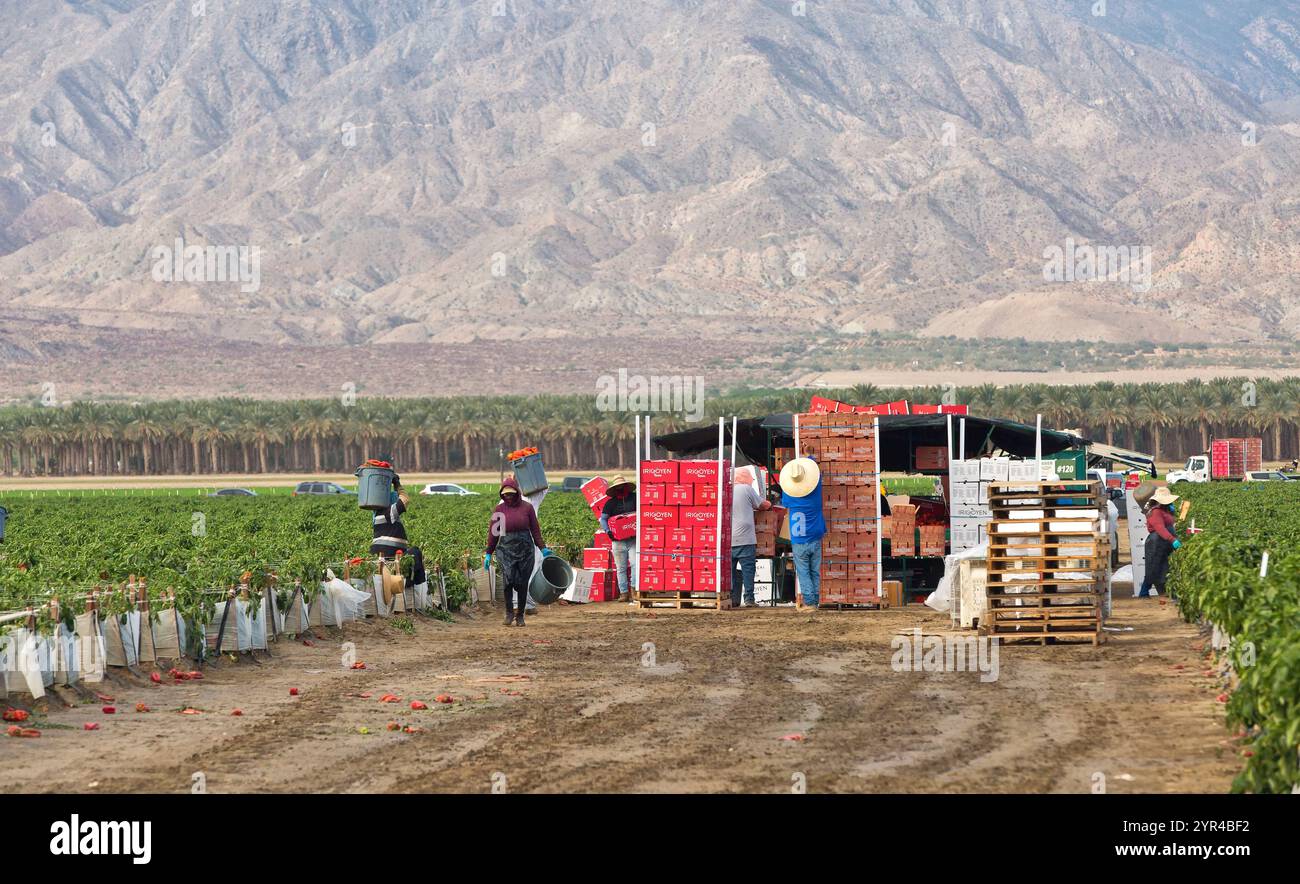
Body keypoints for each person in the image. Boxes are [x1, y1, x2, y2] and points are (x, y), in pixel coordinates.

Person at [484, 476, 551, 626]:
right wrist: (489, 552)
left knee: (522, 583)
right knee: (508, 581)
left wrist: (543, 548)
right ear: (502, 494)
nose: (508, 496)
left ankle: (520, 615)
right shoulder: (499, 510)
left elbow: (535, 531)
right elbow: (494, 533)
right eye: (505, 494)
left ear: (517, 493)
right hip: (506, 549)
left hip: (525, 548)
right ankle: (509, 613)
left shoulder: (527, 508)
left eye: (511, 493)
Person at [779, 457, 826, 608]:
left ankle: (810, 602)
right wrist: (810, 457)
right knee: (815, 572)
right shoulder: (815, 498)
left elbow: (784, 499)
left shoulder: (790, 498)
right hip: (815, 538)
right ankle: (816, 601)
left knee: (804, 573)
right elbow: (817, 477)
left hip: (799, 541)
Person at [731, 466, 772, 608]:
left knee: (730, 571)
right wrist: (770, 503)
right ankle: (749, 599)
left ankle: (732, 599)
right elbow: (762, 505)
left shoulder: (726, 489)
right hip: (745, 538)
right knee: (748, 570)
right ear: (745, 478)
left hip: (728, 540)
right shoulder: (746, 489)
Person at [600, 474, 637, 602]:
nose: (620, 488)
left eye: (622, 486)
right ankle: (624, 593)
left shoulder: (635, 498)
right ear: (615, 489)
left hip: (633, 539)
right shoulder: (610, 503)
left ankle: (634, 590)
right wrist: (608, 531)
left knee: (634, 564)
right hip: (618, 540)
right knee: (621, 568)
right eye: (618, 487)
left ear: (626, 486)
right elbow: (603, 519)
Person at [1139, 486, 1181, 598]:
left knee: (1164, 567)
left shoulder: (1165, 510)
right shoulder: (1156, 512)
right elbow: (1160, 528)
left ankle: (1166, 592)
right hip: (1155, 542)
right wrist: (1173, 540)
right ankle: (1144, 592)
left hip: (1164, 542)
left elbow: (1170, 525)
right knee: (1153, 567)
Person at [370, 472, 409, 555]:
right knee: (416, 551)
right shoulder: (388, 513)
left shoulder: (377, 514)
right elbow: (404, 500)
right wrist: (397, 484)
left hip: (380, 550)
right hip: (389, 550)